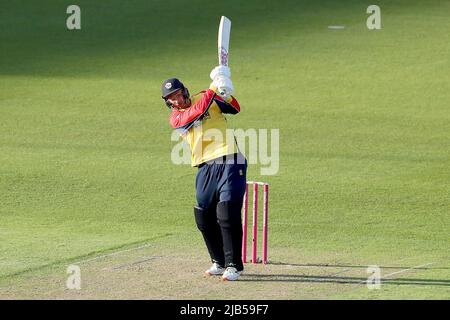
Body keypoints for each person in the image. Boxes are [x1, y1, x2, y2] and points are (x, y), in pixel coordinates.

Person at [162, 66, 247, 281]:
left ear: (184, 91)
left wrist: (225, 90)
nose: (177, 101)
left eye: (178, 94)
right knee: (203, 216)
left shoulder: (205, 96)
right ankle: (218, 261)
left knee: (227, 212)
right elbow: (197, 112)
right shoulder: (176, 119)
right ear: (169, 103)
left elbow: (235, 108)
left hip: (230, 159)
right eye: (172, 99)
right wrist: (213, 86)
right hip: (204, 166)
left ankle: (233, 266)